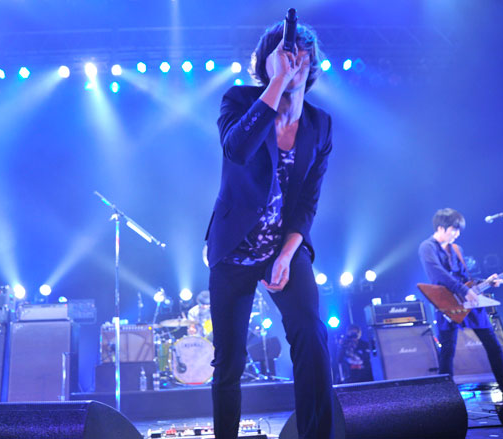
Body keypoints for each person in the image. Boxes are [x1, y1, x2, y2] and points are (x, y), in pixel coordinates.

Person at [204, 19, 334, 439]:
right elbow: (237, 150)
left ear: (311, 65)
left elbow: (308, 200)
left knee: (311, 334)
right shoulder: (239, 100)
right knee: (229, 362)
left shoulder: (320, 124)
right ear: (268, 61)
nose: (294, 66)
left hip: (283, 248)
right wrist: (277, 81)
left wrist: (287, 254)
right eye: (284, 59)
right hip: (233, 249)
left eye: (300, 60)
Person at [418, 208, 503, 399]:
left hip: (469, 301)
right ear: (441, 227)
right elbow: (438, 275)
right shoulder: (427, 247)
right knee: (448, 351)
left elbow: (464, 278)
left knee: (494, 346)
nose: (457, 234)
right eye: (454, 229)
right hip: (447, 304)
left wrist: (485, 281)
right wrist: (464, 291)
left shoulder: (456, 249)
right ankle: (445, 399)